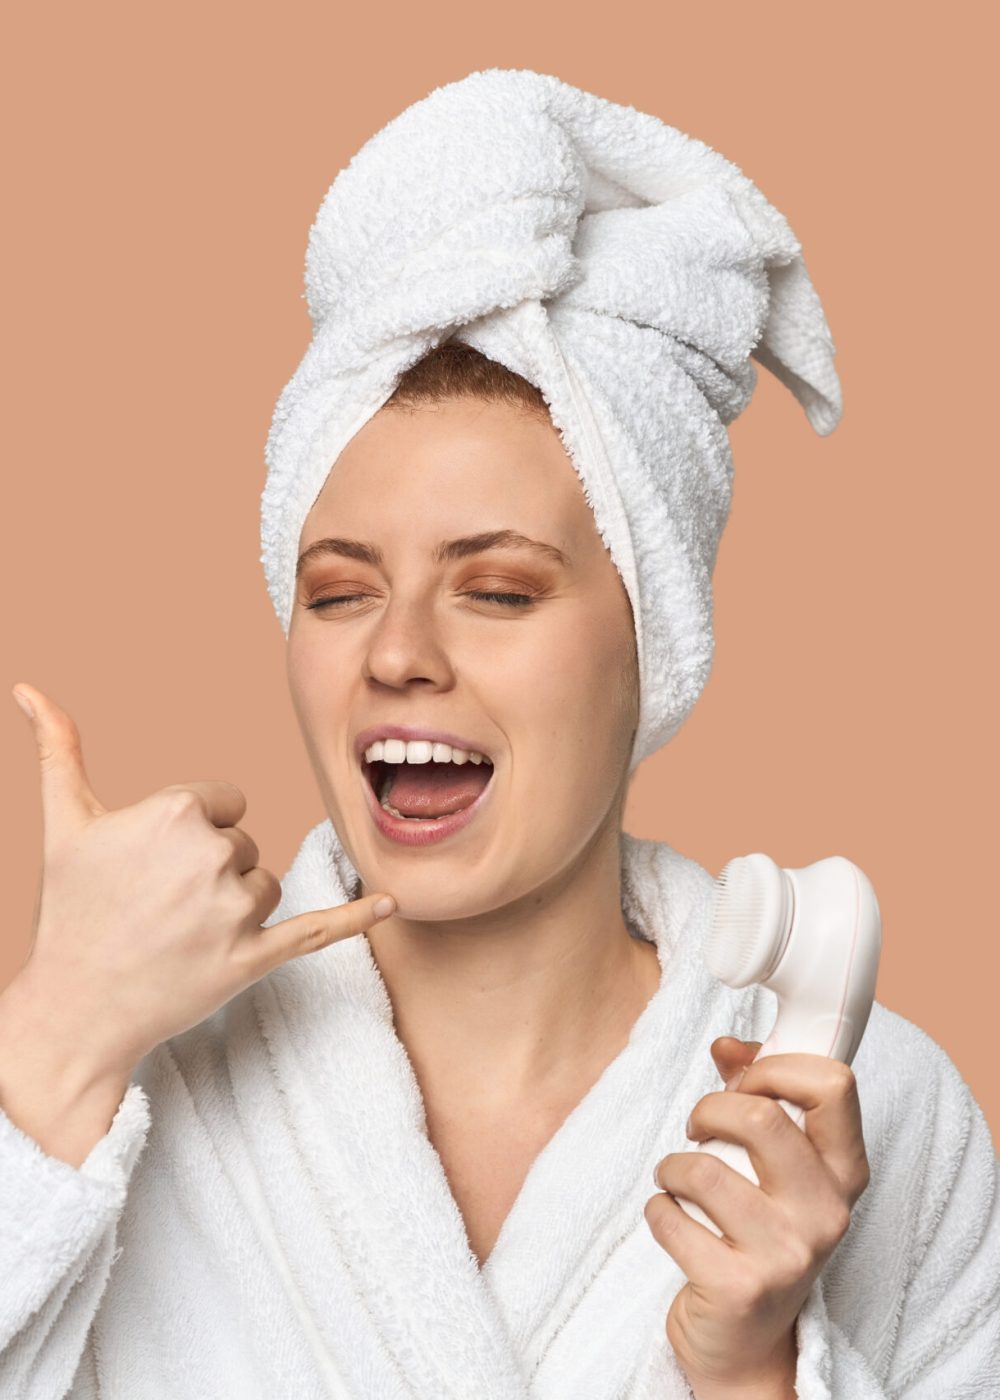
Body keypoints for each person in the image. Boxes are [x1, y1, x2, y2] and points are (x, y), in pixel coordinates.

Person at [3, 69, 999, 1400]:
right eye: (340, 592)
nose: (399, 654)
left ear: (656, 642)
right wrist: (52, 1044)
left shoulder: (871, 1104)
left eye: (498, 591)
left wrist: (761, 1371)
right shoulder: (111, 1083)